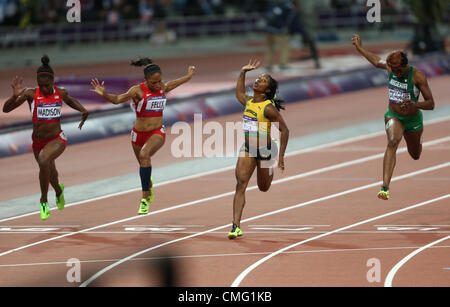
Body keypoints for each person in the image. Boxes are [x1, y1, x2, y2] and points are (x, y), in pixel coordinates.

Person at [90, 58, 195, 214]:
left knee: (145, 155)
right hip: (138, 134)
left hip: (157, 132)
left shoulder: (162, 87)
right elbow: (118, 99)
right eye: (154, 82)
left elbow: (177, 82)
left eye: (159, 81)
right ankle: (148, 183)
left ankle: (144, 199)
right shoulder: (136, 91)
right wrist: (104, 94)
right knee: (143, 163)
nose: (158, 85)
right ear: (145, 80)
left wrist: (189, 75)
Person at [2, 55, 89, 220]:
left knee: (43, 160)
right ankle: (58, 190)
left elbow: (70, 101)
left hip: (57, 138)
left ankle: (43, 200)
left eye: (47, 85)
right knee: (51, 172)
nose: (44, 88)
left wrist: (83, 110)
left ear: (53, 81)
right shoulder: (30, 94)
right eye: (41, 85)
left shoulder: (60, 92)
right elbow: (6, 110)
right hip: (38, 141)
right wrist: (14, 97)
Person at [351, 34, 435, 200]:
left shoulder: (417, 76)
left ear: (405, 65)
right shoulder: (390, 67)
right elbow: (376, 61)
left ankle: (415, 141)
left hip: (413, 119)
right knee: (392, 141)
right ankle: (385, 187)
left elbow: (431, 103)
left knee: (415, 154)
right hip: (394, 115)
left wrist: (414, 104)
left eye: (398, 70)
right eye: (393, 69)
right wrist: (360, 48)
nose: (395, 72)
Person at [228, 59, 289, 239]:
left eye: (262, 81)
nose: (257, 81)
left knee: (263, 187)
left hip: (265, 150)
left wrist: (281, 157)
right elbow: (239, 91)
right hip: (248, 148)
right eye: (258, 79)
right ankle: (235, 226)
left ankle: (267, 168)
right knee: (240, 184)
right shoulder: (248, 101)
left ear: (267, 90)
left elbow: (285, 130)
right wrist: (242, 71)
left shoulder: (268, 108)